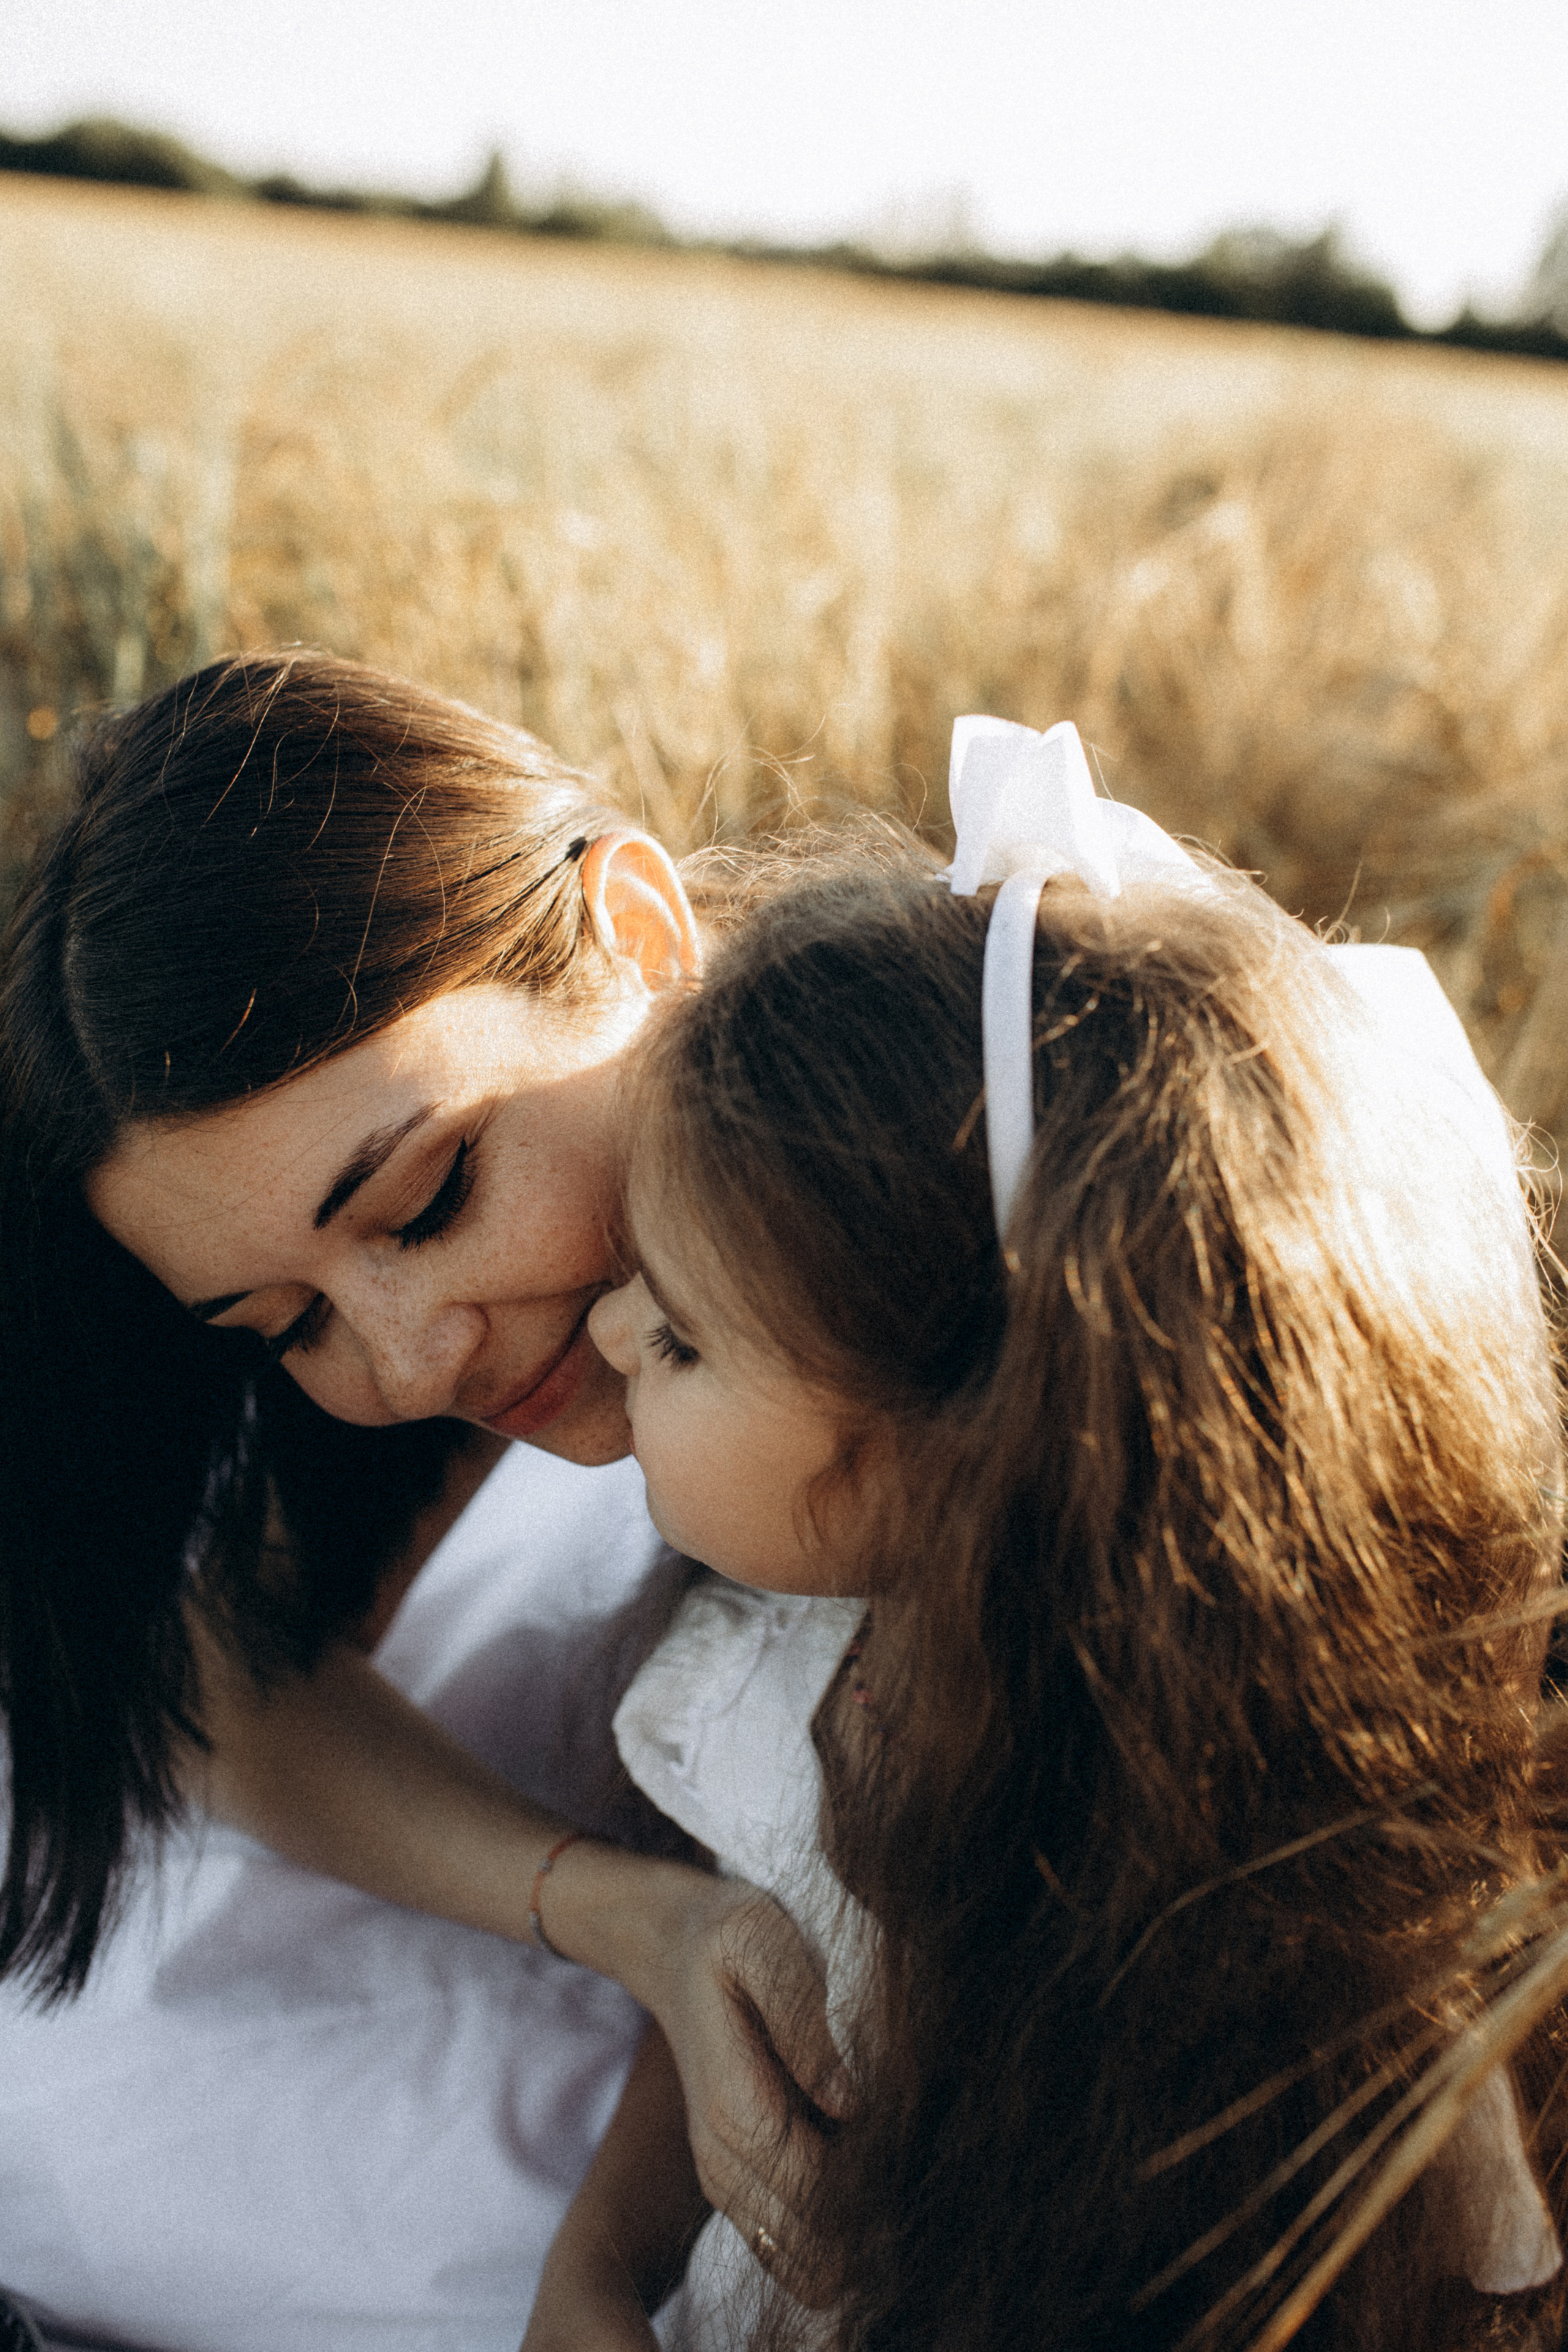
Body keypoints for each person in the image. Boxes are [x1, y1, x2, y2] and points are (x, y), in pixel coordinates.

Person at [535, 718, 1568, 2350]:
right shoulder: (802, 1645)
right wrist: (596, 2270)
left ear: (967, 1443)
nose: (599, 1338)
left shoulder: (1224, 1938)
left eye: (677, 1339)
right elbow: (755, 1990)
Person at [0, 650, 834, 2350]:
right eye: (286, 1323)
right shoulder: (413, 1369)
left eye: (432, 1193)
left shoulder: (933, 1226)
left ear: (645, 937)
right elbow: (212, 1677)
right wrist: (626, 1918)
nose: (409, 1357)